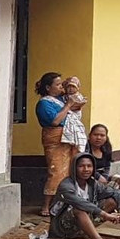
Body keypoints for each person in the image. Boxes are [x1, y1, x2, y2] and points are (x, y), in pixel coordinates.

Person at [35, 72, 84, 216]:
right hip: (55, 138)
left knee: (71, 169)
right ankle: (46, 205)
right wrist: (68, 105)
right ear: (48, 88)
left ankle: (66, 201)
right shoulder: (44, 103)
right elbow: (55, 121)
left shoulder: (61, 99)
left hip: (68, 137)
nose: (61, 86)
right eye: (58, 84)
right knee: (56, 171)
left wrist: (72, 84)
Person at [60, 77, 89, 152]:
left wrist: (67, 107)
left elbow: (76, 106)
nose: (71, 89)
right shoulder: (64, 96)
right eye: (69, 87)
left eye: (73, 87)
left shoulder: (77, 96)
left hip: (74, 115)